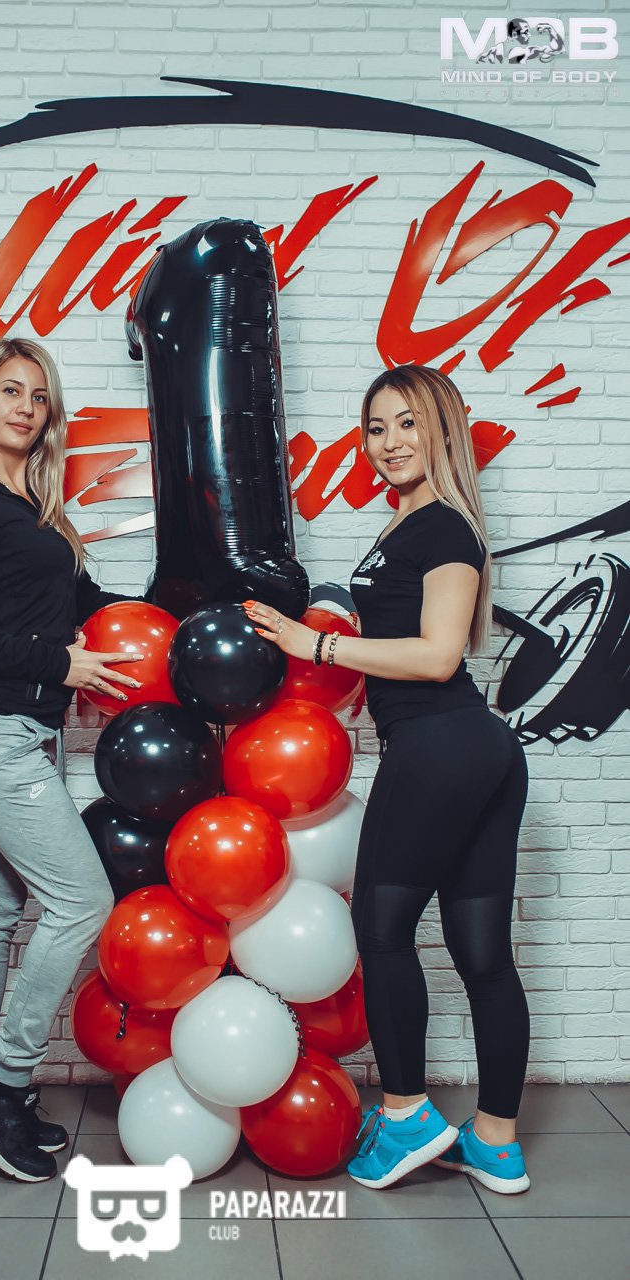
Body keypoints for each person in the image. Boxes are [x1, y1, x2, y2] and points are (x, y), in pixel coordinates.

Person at [243, 364, 531, 1195]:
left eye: (407, 423)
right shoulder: (410, 525)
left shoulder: (442, 526)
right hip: (475, 751)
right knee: (482, 955)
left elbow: (438, 655)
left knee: (380, 930)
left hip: (439, 745)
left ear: (441, 430)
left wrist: (316, 644)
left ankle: (405, 1117)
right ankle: (496, 1145)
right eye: (376, 427)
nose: (389, 441)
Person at [0, 336, 145, 1184]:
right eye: (10, 390)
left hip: (23, 732)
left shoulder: (37, 508)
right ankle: (3, 1085)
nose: (24, 407)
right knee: (82, 903)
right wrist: (59, 666)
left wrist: (175, 608)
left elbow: (87, 603)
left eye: (38, 396)